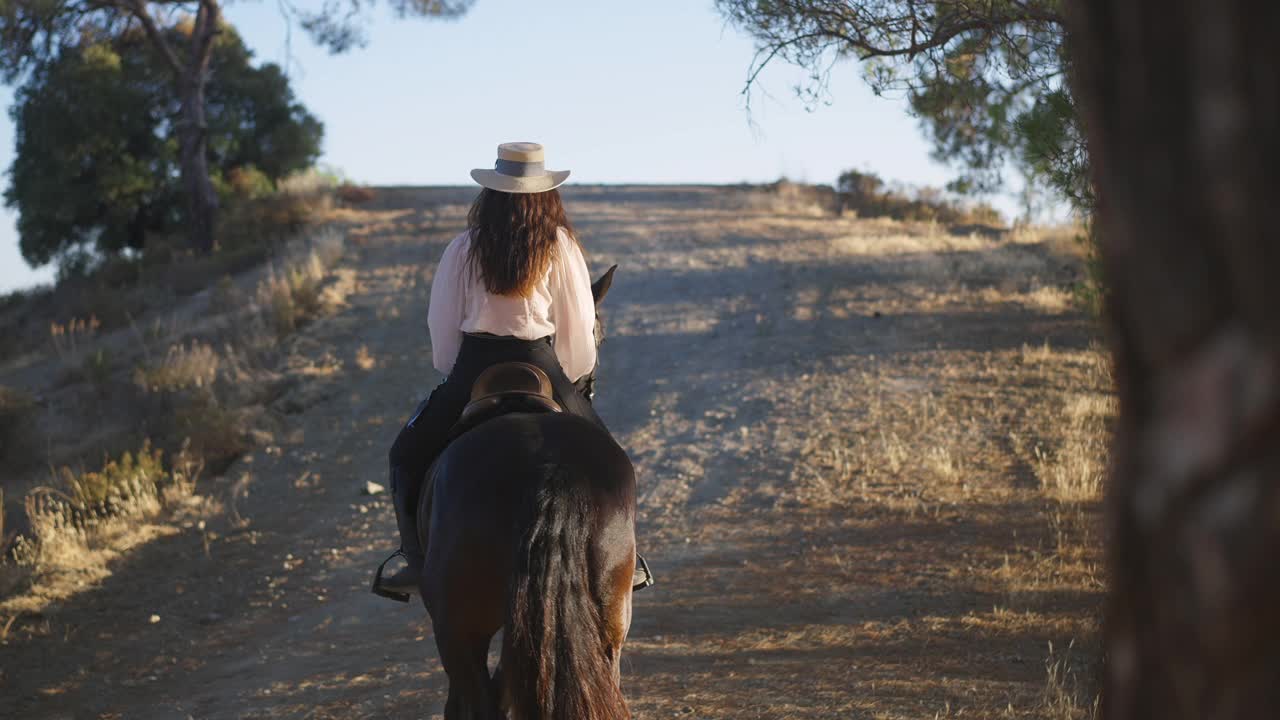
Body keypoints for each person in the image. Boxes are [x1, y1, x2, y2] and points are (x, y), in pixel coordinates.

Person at [371, 142, 652, 600]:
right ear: (546, 194)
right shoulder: (561, 246)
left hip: (474, 366)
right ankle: (628, 557)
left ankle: (411, 558)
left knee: (406, 454)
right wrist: (573, 376)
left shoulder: (463, 247)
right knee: (611, 460)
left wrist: (453, 371)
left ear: (492, 191)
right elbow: (578, 328)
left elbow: (441, 327)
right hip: (542, 363)